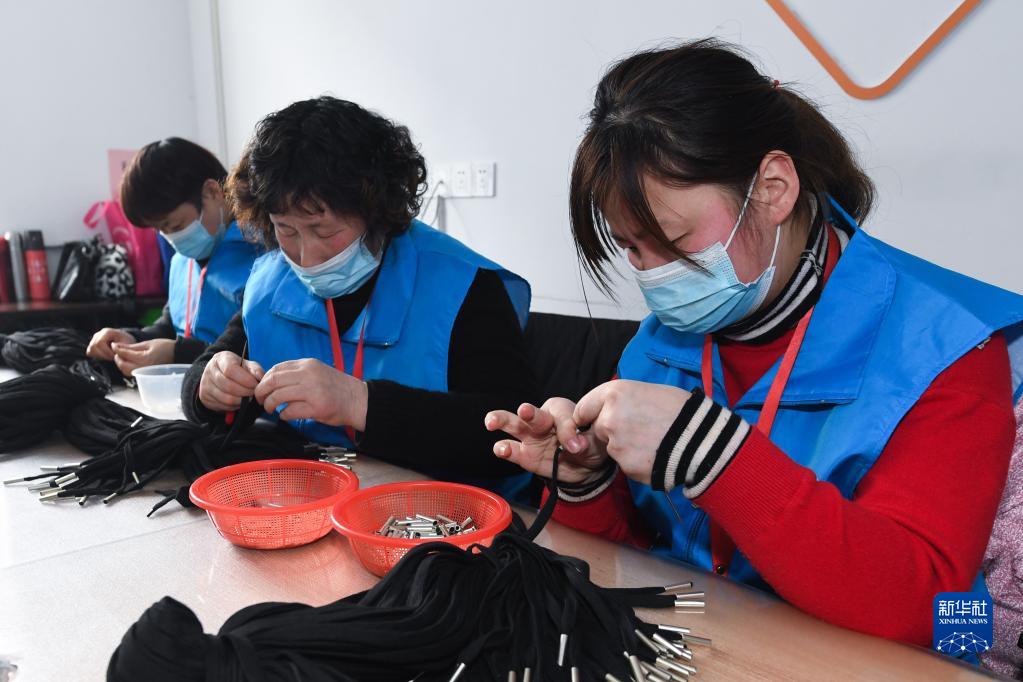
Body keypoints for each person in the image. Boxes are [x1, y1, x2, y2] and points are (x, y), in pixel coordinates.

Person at [485, 39, 1023, 648]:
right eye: (632, 247)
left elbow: (938, 611)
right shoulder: (657, 344)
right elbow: (634, 565)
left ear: (772, 189)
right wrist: (586, 482)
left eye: (674, 241)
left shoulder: (951, 349)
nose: (656, 276)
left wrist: (717, 457)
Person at [183, 96, 537, 500]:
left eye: (325, 231)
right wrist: (208, 387)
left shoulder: (462, 285)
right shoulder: (269, 282)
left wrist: (360, 402)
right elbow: (210, 366)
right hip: (315, 504)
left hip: (449, 513)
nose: (306, 258)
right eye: (286, 230)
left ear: (376, 210)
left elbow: (514, 433)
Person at [86, 138, 260, 376]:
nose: (172, 238)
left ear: (212, 192)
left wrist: (178, 353)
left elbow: (259, 350)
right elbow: (172, 325)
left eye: (176, 225)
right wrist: (132, 339)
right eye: (160, 230)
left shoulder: (261, 254)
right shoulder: (182, 260)